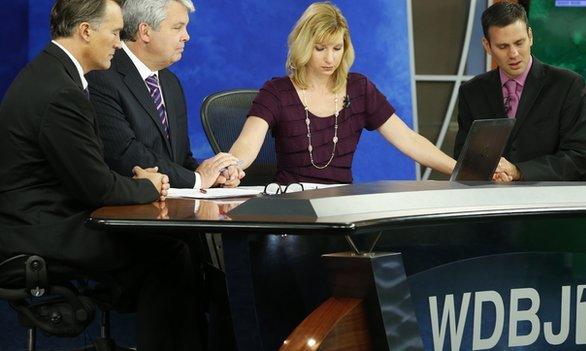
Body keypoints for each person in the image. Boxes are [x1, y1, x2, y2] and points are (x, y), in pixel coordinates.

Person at [0, 0, 206, 349]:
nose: (117, 41)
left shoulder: (52, 74)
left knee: (173, 247)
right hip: (39, 232)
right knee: (169, 253)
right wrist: (146, 185)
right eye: (113, 32)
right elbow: (97, 187)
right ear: (85, 31)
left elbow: (91, 175)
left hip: (41, 221)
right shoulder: (62, 91)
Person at [226, 2, 456, 184]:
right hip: (291, 207)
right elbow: (247, 143)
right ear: (303, 46)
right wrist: (233, 166)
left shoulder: (360, 89)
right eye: (320, 48)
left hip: (342, 208)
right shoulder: (276, 92)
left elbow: (408, 139)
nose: (330, 58)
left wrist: (459, 169)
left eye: (337, 48)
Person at [87, 0, 240, 189]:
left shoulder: (170, 83)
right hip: (126, 208)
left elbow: (180, 159)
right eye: (178, 28)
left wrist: (214, 173)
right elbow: (123, 154)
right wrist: (197, 180)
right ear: (145, 32)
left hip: (170, 205)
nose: (187, 37)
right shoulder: (102, 77)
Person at [454, 1, 586, 182]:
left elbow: (577, 159)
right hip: (490, 197)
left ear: (530, 36)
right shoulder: (471, 92)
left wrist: (517, 171)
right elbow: (463, 157)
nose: (513, 54)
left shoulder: (568, 85)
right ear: (487, 46)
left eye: (519, 43)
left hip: (547, 197)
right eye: (503, 46)